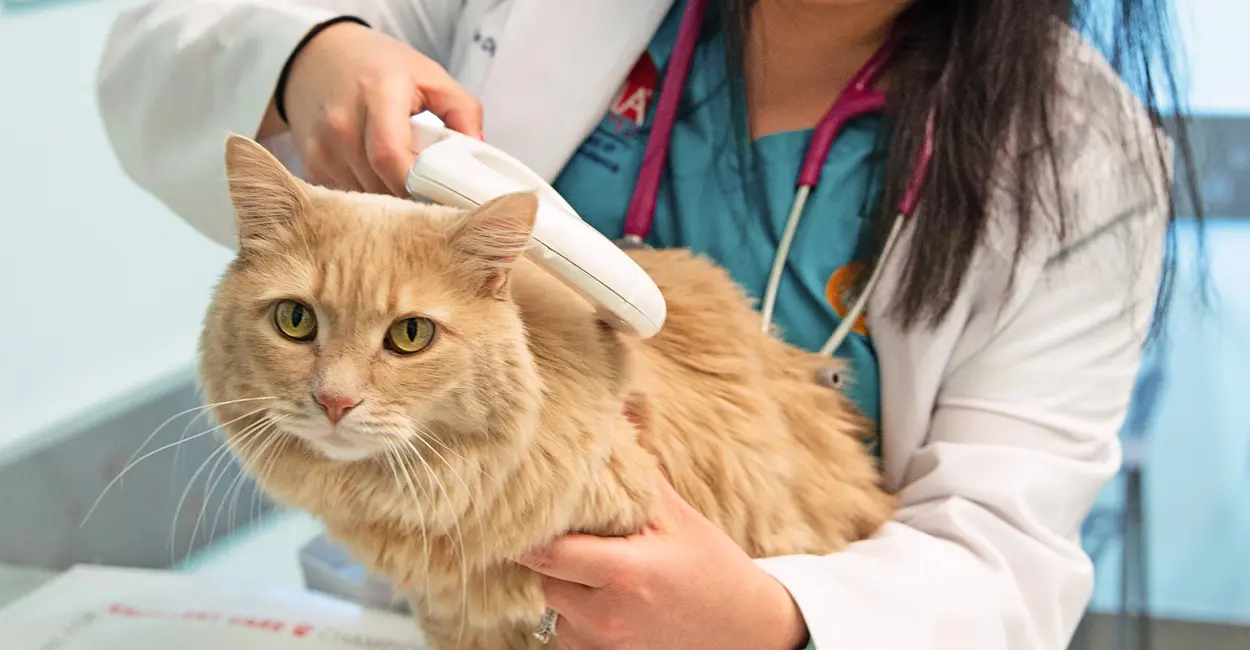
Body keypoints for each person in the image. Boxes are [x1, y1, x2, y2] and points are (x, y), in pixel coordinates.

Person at [95, 1, 1201, 648]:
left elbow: (1004, 551)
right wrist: (308, 53)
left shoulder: (1076, 153)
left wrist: (771, 618)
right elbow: (161, 46)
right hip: (413, 606)